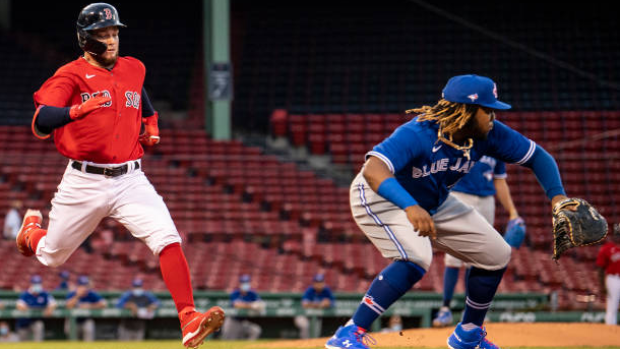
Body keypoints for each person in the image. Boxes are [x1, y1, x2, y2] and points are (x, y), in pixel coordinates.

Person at [15, 3, 223, 348]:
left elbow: (136, 91)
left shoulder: (133, 67)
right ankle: (32, 233)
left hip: (130, 178)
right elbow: (41, 119)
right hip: (84, 179)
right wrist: (76, 110)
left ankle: (188, 318)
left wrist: (151, 120)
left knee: (167, 237)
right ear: (85, 39)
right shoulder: (70, 75)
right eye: (103, 34)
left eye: (114, 32)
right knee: (52, 254)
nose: (112, 40)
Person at [325, 74, 571, 349]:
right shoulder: (418, 133)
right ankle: (348, 333)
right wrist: (410, 206)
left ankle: (468, 333)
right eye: (487, 110)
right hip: (380, 196)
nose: (493, 117)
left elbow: (540, 157)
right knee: (417, 256)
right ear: (463, 111)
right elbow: (373, 169)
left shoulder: (490, 135)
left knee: (496, 253)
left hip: (432, 201)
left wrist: (558, 198)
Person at [433, 157, 525, 327]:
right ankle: (445, 308)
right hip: (459, 194)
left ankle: (469, 312)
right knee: (453, 258)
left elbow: (500, 180)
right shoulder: (464, 138)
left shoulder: (495, 145)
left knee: (478, 256)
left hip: (486, 200)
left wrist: (512, 212)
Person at [221, 275, 263, 340]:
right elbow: (237, 305)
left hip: (243, 321)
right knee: (229, 340)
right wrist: (251, 305)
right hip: (233, 320)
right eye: (243, 283)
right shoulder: (235, 293)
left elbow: (259, 304)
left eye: (247, 283)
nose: (245, 285)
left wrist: (257, 305)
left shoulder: (252, 294)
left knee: (255, 330)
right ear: (240, 284)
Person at [15, 275, 57, 341]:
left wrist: (49, 309)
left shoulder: (44, 293)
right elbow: (19, 305)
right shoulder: (25, 294)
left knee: (39, 325)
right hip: (24, 321)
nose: (37, 285)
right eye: (35, 284)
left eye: (38, 283)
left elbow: (53, 303)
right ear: (31, 284)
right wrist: (24, 307)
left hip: (36, 320)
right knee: (23, 343)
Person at [65, 275, 106, 341]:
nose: (84, 288)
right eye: (82, 285)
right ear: (78, 286)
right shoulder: (72, 294)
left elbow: (103, 304)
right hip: (73, 321)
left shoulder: (91, 294)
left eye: (85, 286)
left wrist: (89, 306)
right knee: (71, 337)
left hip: (85, 320)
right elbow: (68, 306)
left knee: (89, 326)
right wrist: (77, 296)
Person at [295, 273, 335, 338]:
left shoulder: (326, 290)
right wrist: (319, 304)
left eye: (320, 282)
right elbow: (304, 304)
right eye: (317, 282)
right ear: (313, 283)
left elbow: (332, 303)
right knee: (305, 325)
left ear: (323, 283)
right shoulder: (310, 290)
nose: (319, 284)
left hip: (316, 316)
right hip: (304, 315)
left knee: (315, 333)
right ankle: (304, 344)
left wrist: (326, 303)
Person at [596, 227, 620, 325]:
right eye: (617, 234)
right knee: (612, 304)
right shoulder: (607, 248)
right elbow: (600, 268)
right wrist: (602, 285)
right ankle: (610, 327)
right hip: (613, 278)